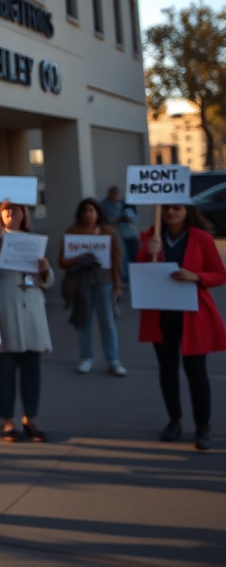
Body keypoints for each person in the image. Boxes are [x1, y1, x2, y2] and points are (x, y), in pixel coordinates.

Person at [136, 204, 226, 450]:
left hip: (192, 317)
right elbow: (139, 271)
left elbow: (219, 274)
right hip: (161, 314)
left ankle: (203, 426)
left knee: (196, 373)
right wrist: (146, 251)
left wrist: (197, 277)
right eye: (166, 209)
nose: (171, 213)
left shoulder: (201, 238)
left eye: (177, 209)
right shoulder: (151, 236)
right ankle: (174, 420)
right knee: (167, 370)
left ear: (187, 211)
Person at [0, 200, 54, 442]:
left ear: (25, 213)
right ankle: (7, 420)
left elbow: (47, 279)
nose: (11, 213)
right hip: (7, 305)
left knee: (32, 364)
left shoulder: (33, 239)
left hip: (31, 305)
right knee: (5, 366)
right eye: (6, 210)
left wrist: (44, 270)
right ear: (0, 214)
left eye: (16, 209)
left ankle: (30, 417)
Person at [58, 197, 125, 376]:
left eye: (92, 210)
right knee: (84, 320)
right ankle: (86, 357)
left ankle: (113, 360)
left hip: (104, 282)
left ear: (98, 213)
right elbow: (62, 261)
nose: (88, 214)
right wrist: (79, 258)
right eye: (85, 210)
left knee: (107, 321)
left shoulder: (108, 231)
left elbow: (116, 260)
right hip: (82, 283)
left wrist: (117, 284)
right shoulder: (72, 232)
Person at [100, 186, 140, 282]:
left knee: (136, 255)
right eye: (113, 194)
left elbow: (134, 219)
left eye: (117, 194)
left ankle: (137, 276)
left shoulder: (125, 203)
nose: (116, 196)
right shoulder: (104, 205)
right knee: (122, 258)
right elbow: (107, 221)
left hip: (130, 233)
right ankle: (123, 279)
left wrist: (128, 216)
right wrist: (119, 219)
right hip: (116, 235)